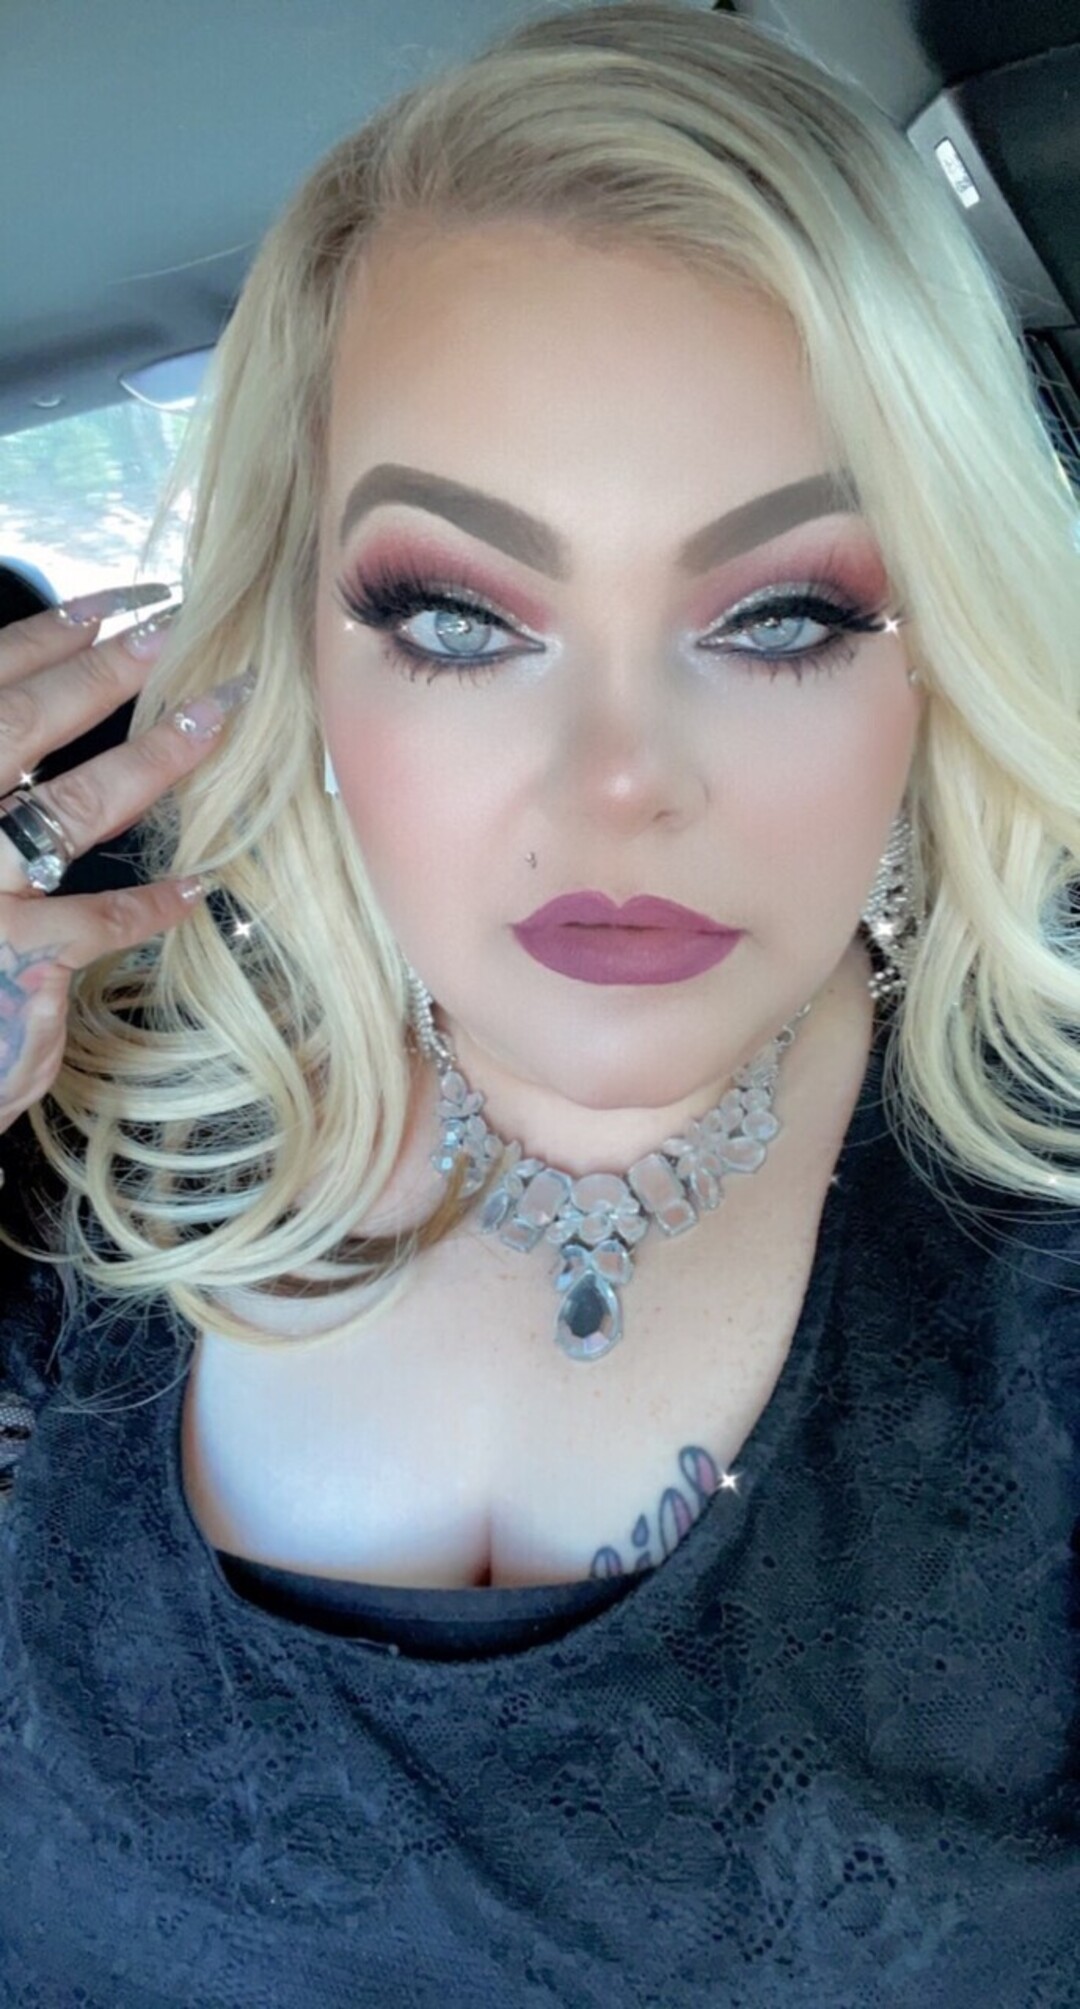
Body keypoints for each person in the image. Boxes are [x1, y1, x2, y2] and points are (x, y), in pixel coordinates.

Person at [1, 2, 1077, 1999]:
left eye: (781, 615)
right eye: (455, 616)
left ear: (941, 643)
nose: (616, 786)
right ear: (301, 646)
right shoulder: (76, 1148)